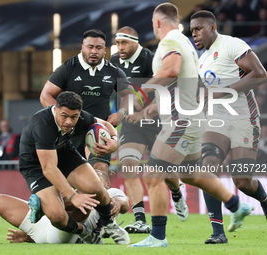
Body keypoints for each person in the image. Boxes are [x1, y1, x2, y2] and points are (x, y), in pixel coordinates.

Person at [128, 3, 253, 248]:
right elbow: (179, 81)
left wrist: (144, 93)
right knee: (191, 175)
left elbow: (172, 69)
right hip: (191, 119)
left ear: (157, 23)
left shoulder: (169, 41)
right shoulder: (185, 41)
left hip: (180, 121)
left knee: (153, 176)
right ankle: (237, 205)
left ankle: (158, 237)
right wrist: (152, 107)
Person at [190, 10, 267, 244]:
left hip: (244, 118)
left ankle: (263, 202)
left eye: (198, 29)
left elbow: (260, 74)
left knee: (243, 182)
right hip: (217, 121)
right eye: (192, 30)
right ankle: (218, 233)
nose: (194, 34)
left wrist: (223, 91)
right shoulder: (201, 60)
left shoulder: (233, 44)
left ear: (213, 28)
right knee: (208, 166)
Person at [19, 91, 129, 245]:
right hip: (36, 166)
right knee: (57, 216)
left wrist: (115, 141)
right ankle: (84, 233)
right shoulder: (42, 124)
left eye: (74, 117)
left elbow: (105, 124)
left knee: (95, 186)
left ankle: (108, 224)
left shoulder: (81, 117)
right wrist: (73, 195)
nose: (69, 122)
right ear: (55, 109)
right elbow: (49, 169)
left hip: (64, 153)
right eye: (64, 116)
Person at [110, 26, 188, 234]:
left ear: (135, 42)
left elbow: (167, 90)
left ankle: (177, 193)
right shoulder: (114, 62)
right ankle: (140, 221)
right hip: (130, 123)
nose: (120, 47)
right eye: (117, 43)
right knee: (128, 165)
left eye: (124, 43)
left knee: (166, 173)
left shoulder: (152, 60)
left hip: (156, 121)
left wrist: (145, 111)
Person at [0, 169, 129, 244]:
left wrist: (118, 203)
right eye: (87, 178)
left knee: (80, 201)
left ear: (108, 185)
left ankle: (42, 204)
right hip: (46, 229)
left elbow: (125, 203)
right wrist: (30, 238)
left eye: (94, 179)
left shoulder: (111, 195)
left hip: (72, 236)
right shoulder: (79, 192)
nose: (89, 182)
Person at [40, 29, 130, 174]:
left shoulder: (114, 72)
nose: (94, 51)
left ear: (104, 50)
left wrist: (122, 113)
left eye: (98, 47)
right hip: (70, 133)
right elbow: (45, 95)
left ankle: (103, 192)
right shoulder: (68, 68)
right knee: (71, 185)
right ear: (82, 48)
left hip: (98, 131)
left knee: (99, 172)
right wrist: (62, 117)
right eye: (90, 47)